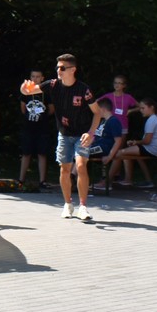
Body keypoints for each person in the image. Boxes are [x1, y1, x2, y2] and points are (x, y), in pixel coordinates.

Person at [41, 54, 96, 222]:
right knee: (64, 169)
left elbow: (97, 112)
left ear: (73, 70)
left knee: (80, 166)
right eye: (57, 67)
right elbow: (31, 90)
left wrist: (91, 133)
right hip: (64, 134)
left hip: (82, 134)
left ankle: (83, 207)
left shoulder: (83, 89)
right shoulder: (53, 85)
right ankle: (67, 204)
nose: (59, 70)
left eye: (62, 68)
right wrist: (24, 89)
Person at [109, 98, 157, 187]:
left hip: (151, 149)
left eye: (143, 108)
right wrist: (136, 143)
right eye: (140, 108)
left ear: (151, 107)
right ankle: (136, 180)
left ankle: (107, 181)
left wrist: (136, 142)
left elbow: (147, 141)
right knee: (129, 153)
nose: (141, 110)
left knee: (119, 153)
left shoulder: (152, 120)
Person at [15, 68, 50, 190]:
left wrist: (42, 116)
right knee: (26, 153)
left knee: (42, 153)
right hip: (28, 127)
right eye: (33, 76)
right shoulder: (26, 91)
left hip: (43, 127)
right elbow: (23, 108)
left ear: (42, 78)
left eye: (38, 76)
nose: (35, 79)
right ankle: (21, 180)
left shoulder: (46, 92)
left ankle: (42, 181)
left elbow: (51, 109)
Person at [82, 95, 126, 187]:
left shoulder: (113, 121)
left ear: (102, 109)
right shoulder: (102, 121)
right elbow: (96, 136)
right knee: (78, 151)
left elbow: (118, 141)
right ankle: (75, 179)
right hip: (97, 146)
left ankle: (75, 179)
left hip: (104, 148)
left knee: (81, 153)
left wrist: (110, 156)